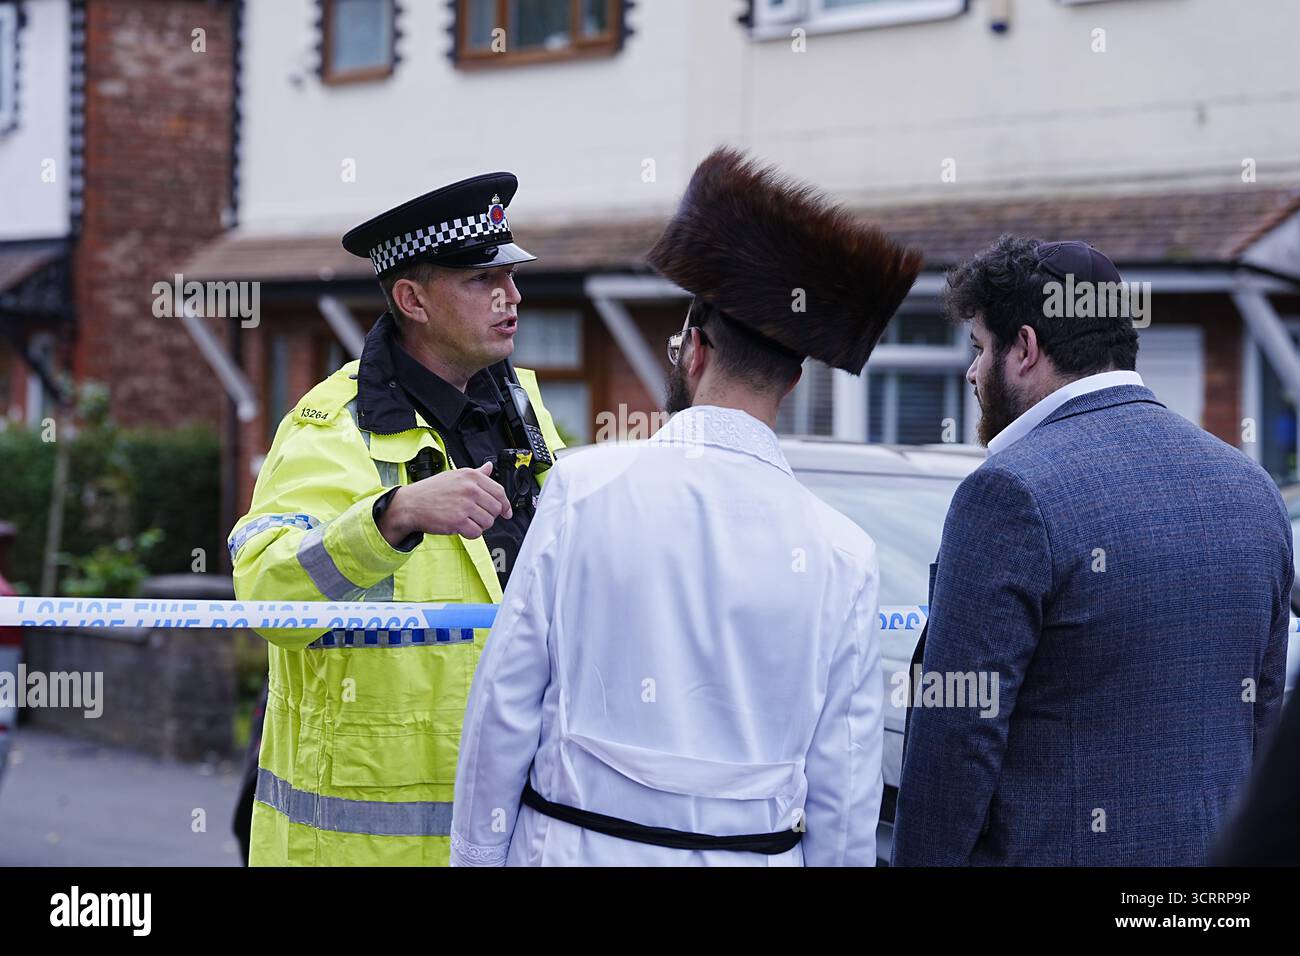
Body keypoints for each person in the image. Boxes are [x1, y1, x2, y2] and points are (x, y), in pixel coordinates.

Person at [449, 148, 922, 866]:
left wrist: (475, 860)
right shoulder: (844, 554)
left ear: (693, 351)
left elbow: (504, 709)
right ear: (792, 384)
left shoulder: (582, 490)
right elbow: (844, 782)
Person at [892, 235, 1294, 866]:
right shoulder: (1252, 489)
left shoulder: (1007, 493)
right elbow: (1261, 723)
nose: (971, 372)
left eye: (978, 348)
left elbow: (957, 738)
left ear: (1024, 348)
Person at [228, 172, 566, 866]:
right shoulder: (331, 425)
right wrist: (391, 517)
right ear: (412, 299)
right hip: (358, 848)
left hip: (508, 825)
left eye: (511, 275)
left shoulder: (523, 409)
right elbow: (266, 593)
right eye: (482, 280)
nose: (512, 296)